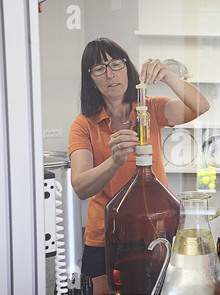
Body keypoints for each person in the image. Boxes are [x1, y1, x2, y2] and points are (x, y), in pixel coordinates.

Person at [68, 37, 210, 277]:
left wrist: (167, 76)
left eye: (116, 64)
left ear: (127, 68)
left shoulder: (152, 108)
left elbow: (201, 106)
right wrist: (114, 161)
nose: (110, 75)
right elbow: (81, 188)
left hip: (153, 231)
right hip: (105, 237)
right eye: (99, 69)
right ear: (90, 79)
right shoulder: (83, 124)